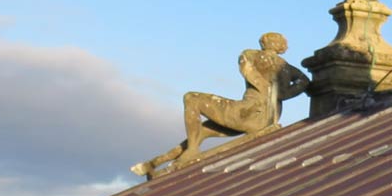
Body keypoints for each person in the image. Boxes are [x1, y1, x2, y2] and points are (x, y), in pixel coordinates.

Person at [132, 32, 310, 178]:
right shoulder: (289, 69)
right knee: (201, 131)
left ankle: (192, 149)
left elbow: (245, 68)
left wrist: (265, 88)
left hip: (247, 112)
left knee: (192, 98)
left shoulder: (252, 54)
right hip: (267, 118)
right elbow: (305, 81)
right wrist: (282, 94)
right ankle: (157, 162)